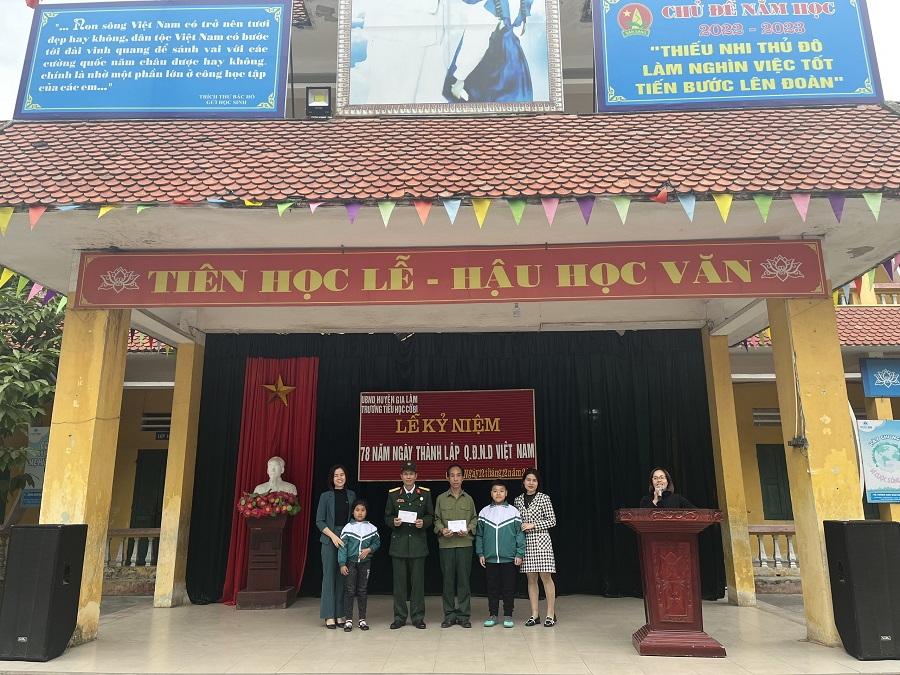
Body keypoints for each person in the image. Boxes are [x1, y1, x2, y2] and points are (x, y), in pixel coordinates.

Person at [443, 0, 534, 103]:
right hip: (517, 67)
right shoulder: (522, 2)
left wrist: (460, 79)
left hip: (492, 72)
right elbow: (519, 32)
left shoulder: (485, 7)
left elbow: (475, 49)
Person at [384, 460, 434, 629]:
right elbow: (387, 516)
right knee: (399, 584)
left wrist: (424, 522)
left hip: (418, 544)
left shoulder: (425, 493)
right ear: (401, 476)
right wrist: (393, 522)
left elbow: (431, 516)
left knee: (418, 584)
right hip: (399, 544)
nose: (408, 477)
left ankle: (418, 616)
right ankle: (399, 616)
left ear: (416, 476)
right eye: (405, 474)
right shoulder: (393, 494)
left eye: (411, 474)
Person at [476, 480, 525, 628]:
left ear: (506, 493)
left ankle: (508, 615)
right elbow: (479, 535)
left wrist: (519, 553)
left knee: (508, 589)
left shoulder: (513, 512)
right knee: (492, 589)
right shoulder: (484, 512)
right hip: (490, 558)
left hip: (509, 558)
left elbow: (519, 534)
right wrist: (481, 553)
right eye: (495, 491)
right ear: (491, 493)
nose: (498, 493)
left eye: (501, 491)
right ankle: (493, 615)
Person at [433, 463, 477, 628]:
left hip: (465, 544)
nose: (455, 478)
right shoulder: (441, 498)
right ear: (447, 478)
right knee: (448, 582)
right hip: (447, 545)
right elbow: (436, 519)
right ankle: (449, 615)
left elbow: (474, 518)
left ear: (463, 478)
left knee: (464, 581)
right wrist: (441, 529)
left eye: (458, 475)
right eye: (452, 475)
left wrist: (469, 529)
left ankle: (464, 615)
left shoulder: (469, 499)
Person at [514, 467, 557, 627]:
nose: (531, 483)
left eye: (534, 480)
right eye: (528, 480)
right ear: (523, 481)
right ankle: (534, 614)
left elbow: (552, 520)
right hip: (526, 543)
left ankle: (550, 614)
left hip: (542, 541)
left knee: (546, 577)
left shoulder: (544, 498)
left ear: (538, 483)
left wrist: (533, 525)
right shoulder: (518, 500)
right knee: (531, 579)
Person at [315, 464, 356, 628]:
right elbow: (319, 521)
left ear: (346, 477)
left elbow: (354, 518)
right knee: (329, 577)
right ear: (332, 479)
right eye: (336, 475)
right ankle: (328, 615)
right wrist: (333, 536)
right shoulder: (325, 496)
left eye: (342, 475)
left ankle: (340, 614)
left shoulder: (351, 495)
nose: (339, 478)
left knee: (342, 577)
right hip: (329, 539)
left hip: (345, 539)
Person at [339, 499, 380, 632]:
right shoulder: (348, 528)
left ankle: (362, 619)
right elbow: (342, 547)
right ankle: (349, 620)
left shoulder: (371, 528)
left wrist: (369, 550)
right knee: (350, 591)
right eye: (357, 510)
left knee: (362, 591)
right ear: (353, 512)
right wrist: (342, 563)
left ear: (366, 512)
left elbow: (377, 542)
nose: (360, 513)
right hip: (350, 563)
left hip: (365, 563)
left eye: (363, 510)